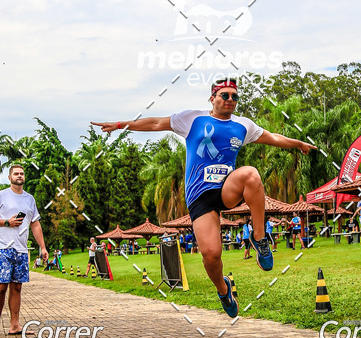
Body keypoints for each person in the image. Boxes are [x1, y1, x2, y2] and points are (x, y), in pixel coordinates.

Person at [93, 77, 315, 318]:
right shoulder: (192, 119)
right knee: (211, 255)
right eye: (225, 95)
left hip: (226, 189)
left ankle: (259, 238)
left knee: (251, 174)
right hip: (200, 196)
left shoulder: (243, 125)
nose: (230, 100)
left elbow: (273, 137)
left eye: (235, 96)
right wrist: (121, 125)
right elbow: (156, 123)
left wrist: (298, 143)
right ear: (212, 98)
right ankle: (223, 290)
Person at [0, 164, 48, 336]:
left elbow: (35, 224)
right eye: (16, 173)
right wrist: (7, 222)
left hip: (20, 249)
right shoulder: (0, 196)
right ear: (10, 177)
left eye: (22, 173)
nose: (19, 176)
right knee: (1, 286)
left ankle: (15, 325)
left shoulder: (29, 199)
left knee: (17, 287)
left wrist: (42, 247)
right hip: (1, 247)